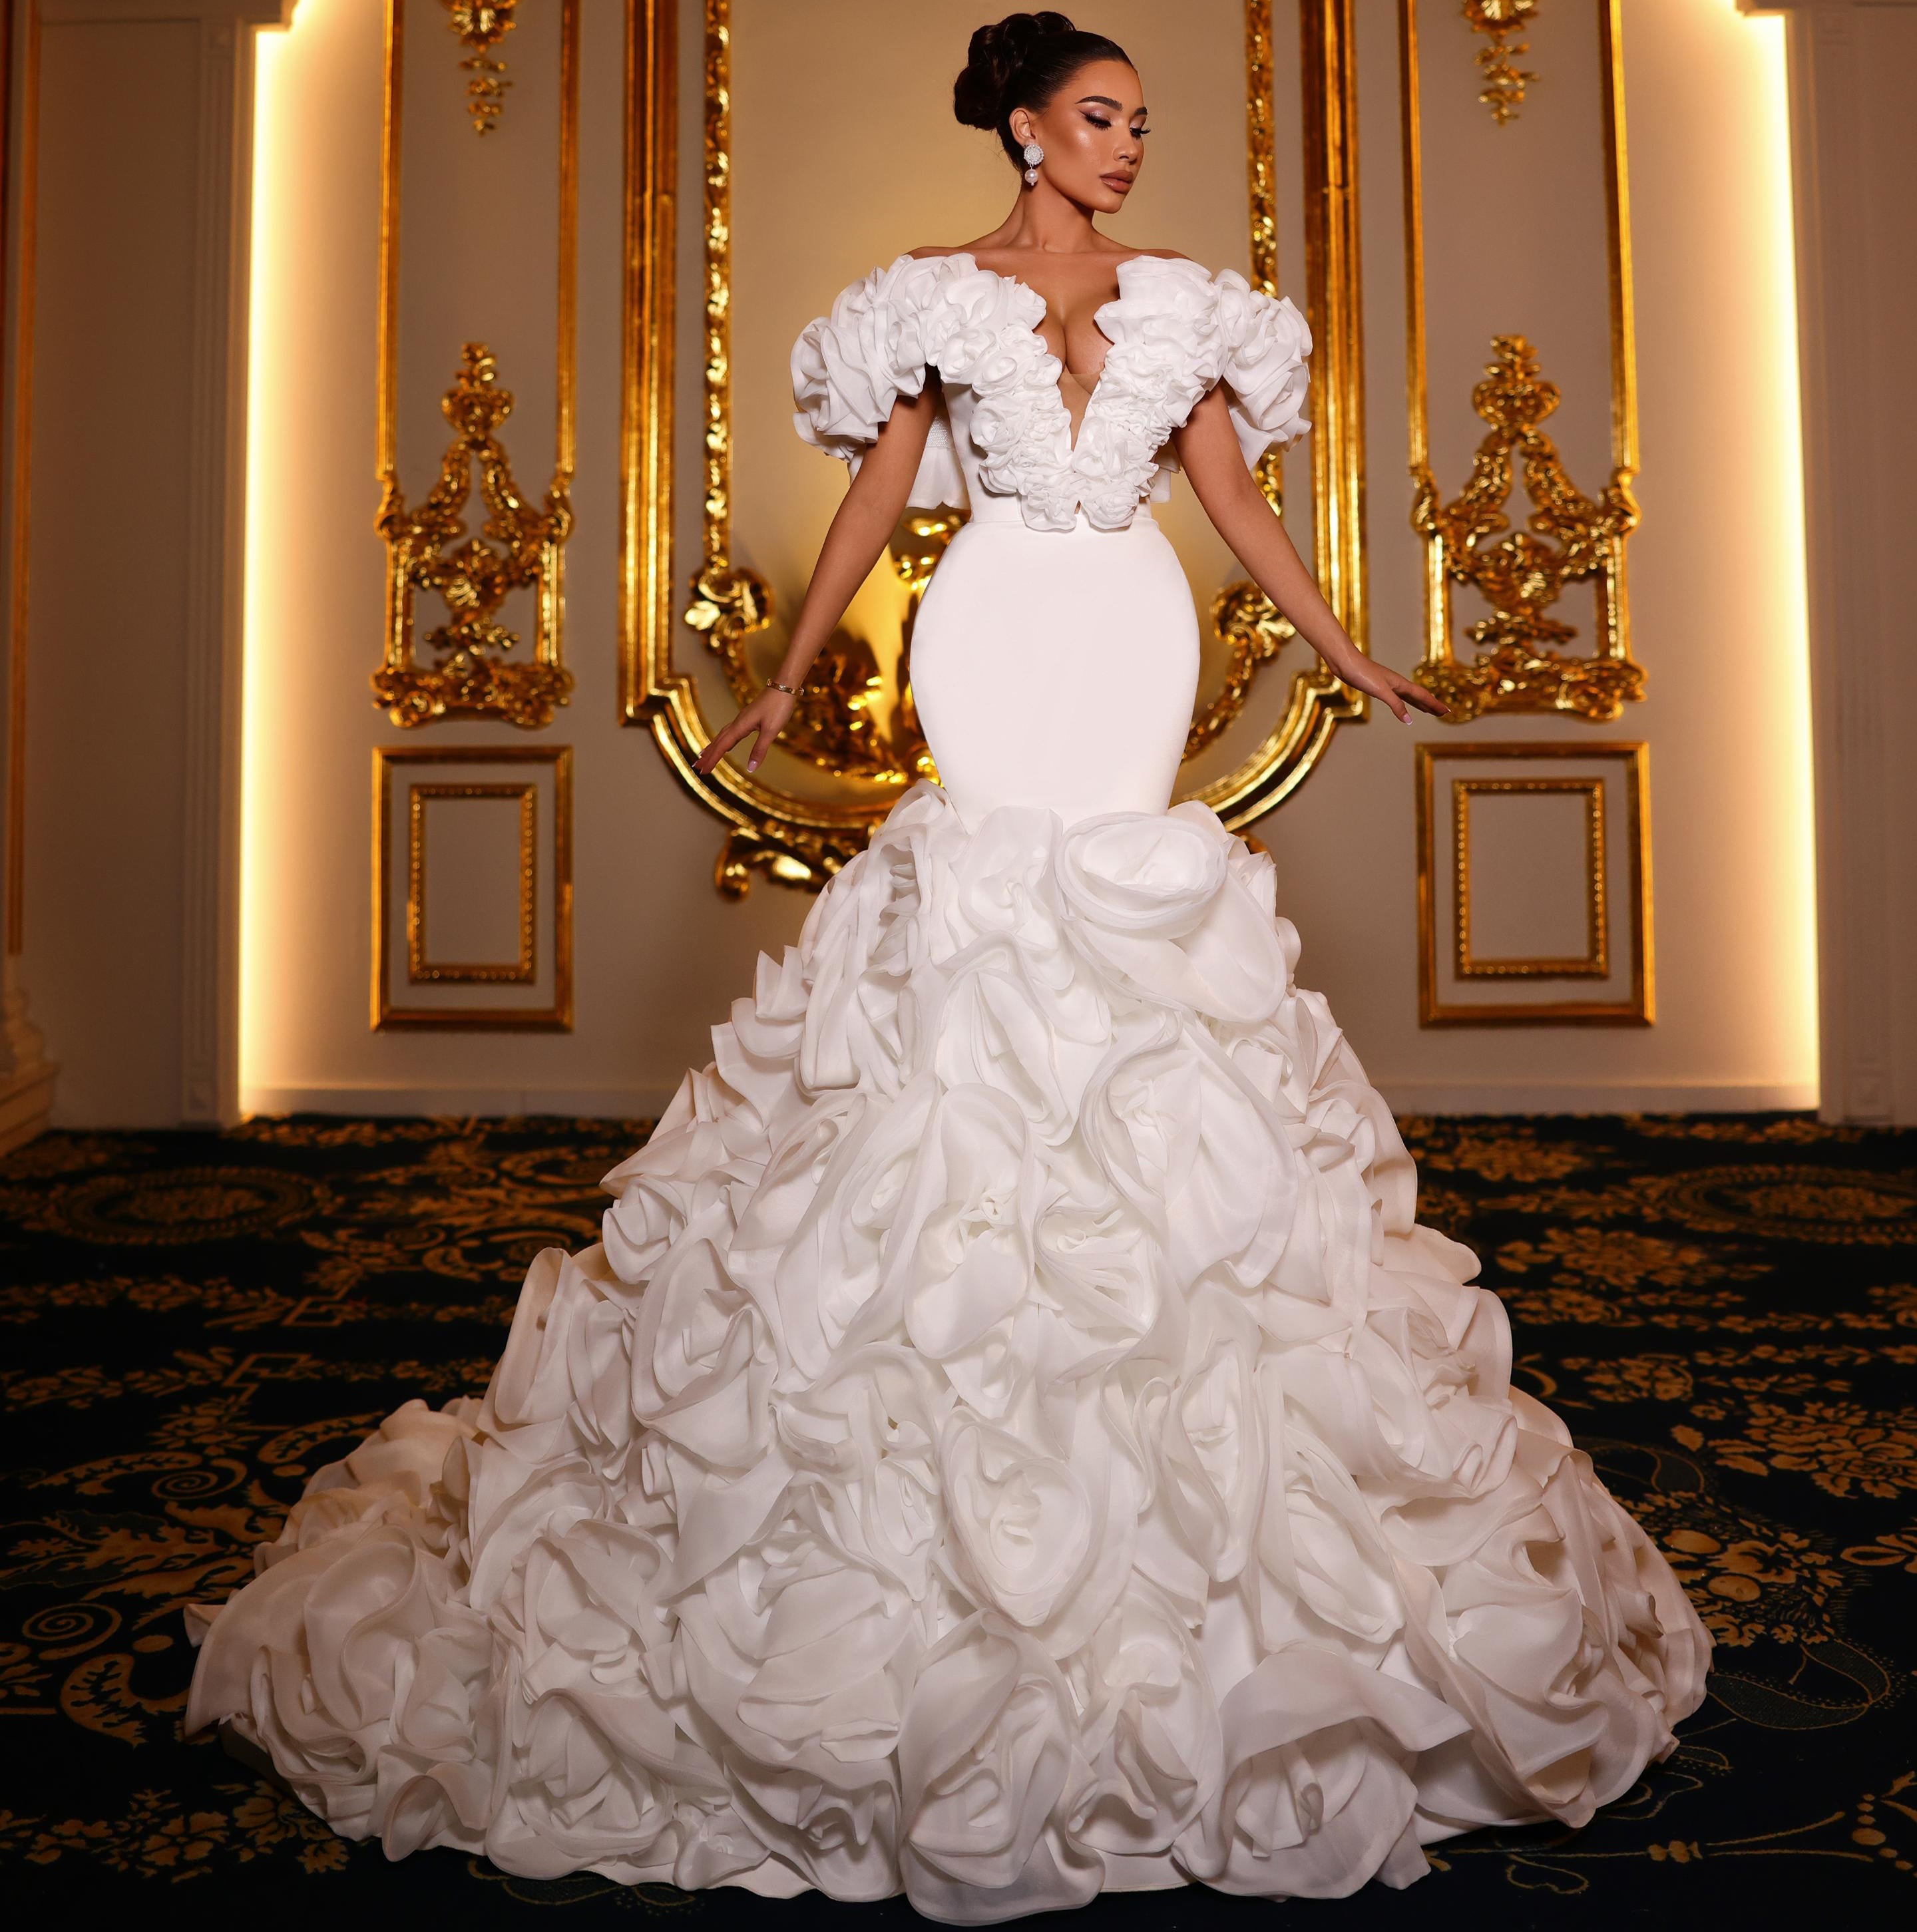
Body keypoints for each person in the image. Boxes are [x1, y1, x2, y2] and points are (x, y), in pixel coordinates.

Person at [186, 13, 1709, 1920]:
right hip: (988, 630)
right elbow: (874, 496)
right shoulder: (927, 298)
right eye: (1100, 117)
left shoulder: (1188, 305)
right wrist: (789, 671)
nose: (1127, 145)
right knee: (976, 945)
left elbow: (1234, 504)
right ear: (1024, 127)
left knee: (1128, 958)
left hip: (1129, 627)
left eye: (1141, 121)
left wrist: (1344, 649)